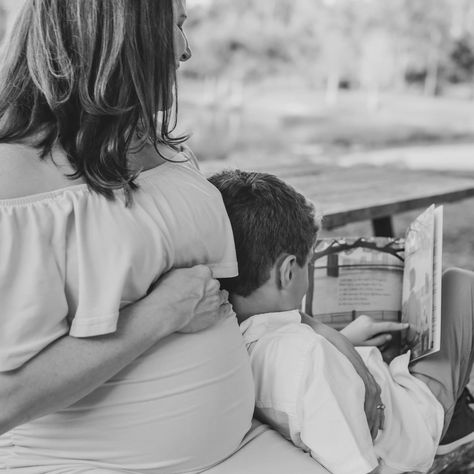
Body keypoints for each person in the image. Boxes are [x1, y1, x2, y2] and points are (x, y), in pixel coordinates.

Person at [0, 2, 393, 473]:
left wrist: (329, 339)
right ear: (120, 35)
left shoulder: (156, 142)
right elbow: (7, 399)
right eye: (177, 28)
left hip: (240, 440)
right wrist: (155, 317)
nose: (186, 50)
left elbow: (226, 287)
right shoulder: (13, 182)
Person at [209, 169, 474, 474]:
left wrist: (343, 339)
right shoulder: (310, 358)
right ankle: (454, 425)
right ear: (289, 271)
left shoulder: (223, 339)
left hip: (373, 390)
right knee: (460, 284)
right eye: (310, 261)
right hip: (413, 423)